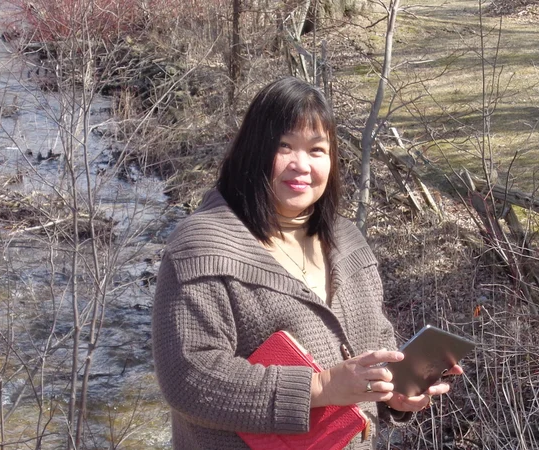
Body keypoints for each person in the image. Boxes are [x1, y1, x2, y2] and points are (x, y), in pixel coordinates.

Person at [152, 77, 462, 449]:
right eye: (285, 147)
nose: (301, 165)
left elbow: (376, 342)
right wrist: (320, 387)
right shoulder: (201, 247)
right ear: (254, 151)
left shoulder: (346, 241)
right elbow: (188, 377)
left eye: (317, 150)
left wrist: (394, 394)